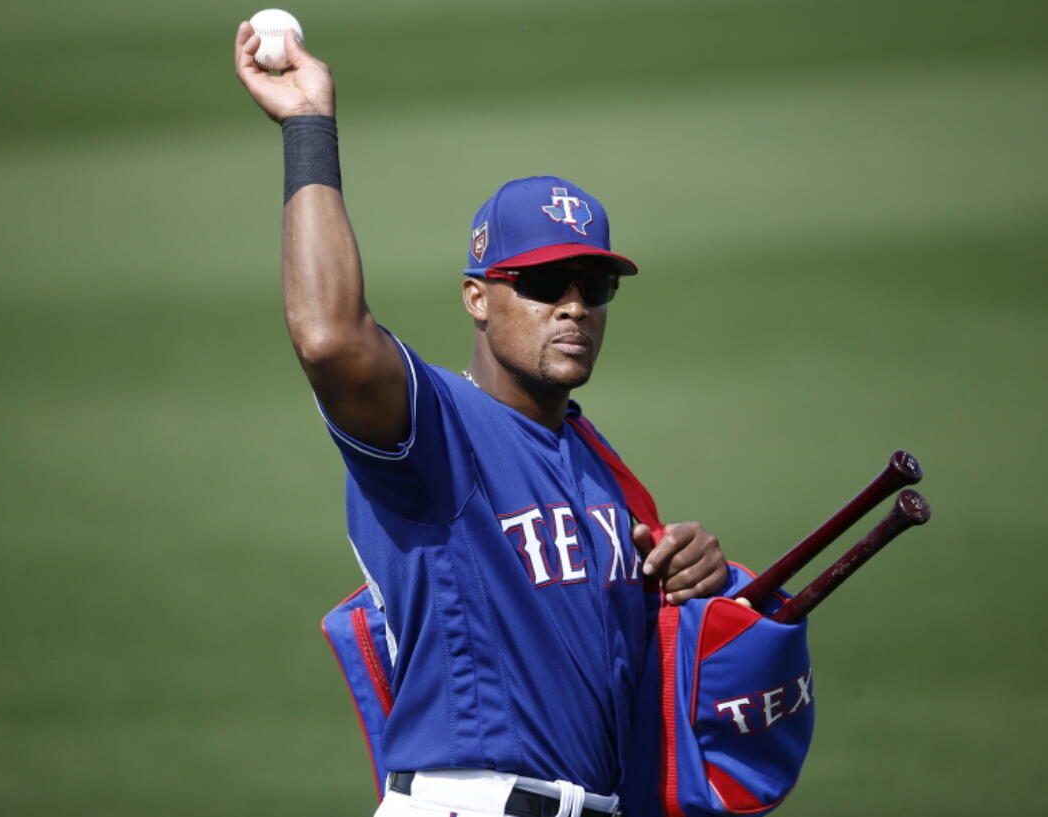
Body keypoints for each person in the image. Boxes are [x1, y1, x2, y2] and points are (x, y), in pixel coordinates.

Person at [234, 22, 729, 817]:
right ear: (477, 297)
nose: (572, 305)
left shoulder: (600, 471)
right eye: (543, 283)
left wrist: (686, 578)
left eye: (593, 287)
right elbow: (329, 340)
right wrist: (307, 128)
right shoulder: (438, 435)